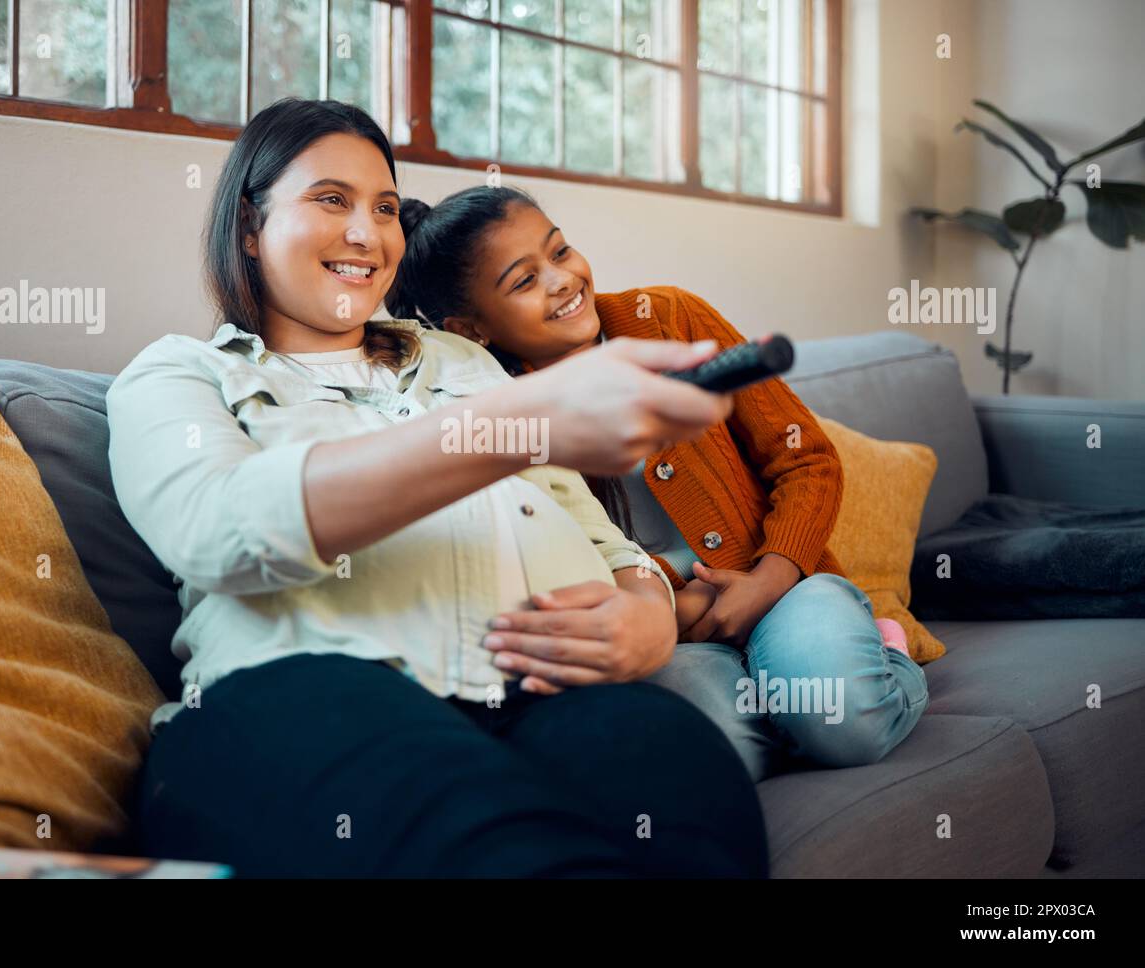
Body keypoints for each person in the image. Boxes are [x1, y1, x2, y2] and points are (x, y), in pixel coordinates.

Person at [106, 98, 767, 877]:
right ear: (249, 228)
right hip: (308, 694)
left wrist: (649, 617)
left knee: (698, 832)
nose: (367, 233)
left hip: (549, 697)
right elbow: (215, 531)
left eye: (385, 208)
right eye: (331, 200)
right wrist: (512, 425)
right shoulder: (182, 373)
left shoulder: (462, 362)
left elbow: (606, 542)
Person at [386, 185, 929, 783]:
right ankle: (793, 715)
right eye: (524, 281)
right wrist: (676, 608)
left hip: (784, 588)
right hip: (678, 638)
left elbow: (807, 460)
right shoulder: (502, 413)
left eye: (560, 252)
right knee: (712, 759)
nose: (562, 280)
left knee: (845, 722)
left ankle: (885, 660)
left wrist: (770, 577)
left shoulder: (668, 318)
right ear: (473, 328)